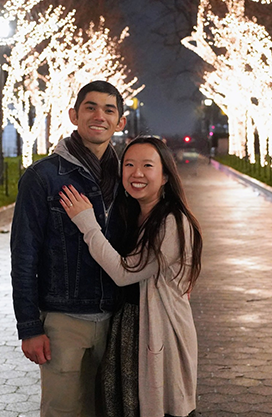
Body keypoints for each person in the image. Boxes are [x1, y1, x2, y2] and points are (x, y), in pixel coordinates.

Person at [59, 136, 202, 417]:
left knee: (156, 406)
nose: (137, 173)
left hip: (157, 329)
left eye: (148, 165)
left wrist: (87, 223)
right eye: (129, 165)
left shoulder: (172, 221)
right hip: (127, 328)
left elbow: (125, 273)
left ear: (164, 176)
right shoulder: (133, 215)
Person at [10, 81, 127, 417]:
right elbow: (24, 255)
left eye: (109, 110)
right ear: (74, 115)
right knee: (63, 411)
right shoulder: (43, 177)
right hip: (64, 320)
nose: (99, 116)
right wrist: (29, 326)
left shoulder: (125, 178)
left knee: (109, 409)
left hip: (116, 318)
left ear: (120, 122)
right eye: (90, 107)